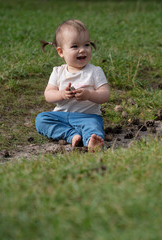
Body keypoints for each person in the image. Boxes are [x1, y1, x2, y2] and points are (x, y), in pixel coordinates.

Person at [35, 19, 110, 152]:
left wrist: (89, 94)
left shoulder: (95, 71)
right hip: (62, 117)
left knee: (93, 127)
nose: (82, 50)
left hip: (88, 116)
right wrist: (61, 94)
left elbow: (105, 95)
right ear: (61, 52)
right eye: (75, 46)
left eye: (86, 45)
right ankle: (72, 135)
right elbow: (48, 95)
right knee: (41, 119)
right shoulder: (58, 72)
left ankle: (91, 141)